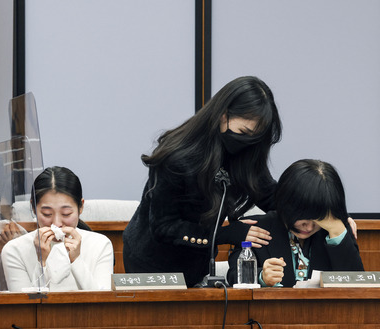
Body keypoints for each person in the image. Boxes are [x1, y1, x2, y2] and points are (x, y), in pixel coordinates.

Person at [123, 76, 282, 287]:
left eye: (255, 137)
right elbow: (164, 226)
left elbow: (273, 197)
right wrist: (226, 234)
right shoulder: (177, 156)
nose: (248, 143)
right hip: (152, 263)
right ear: (223, 116)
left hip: (197, 266)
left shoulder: (246, 155)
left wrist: (327, 211)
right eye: (243, 133)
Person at [227, 159, 363, 287]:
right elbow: (233, 275)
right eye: (303, 220)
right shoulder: (256, 228)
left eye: (317, 220)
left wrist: (338, 234)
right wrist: (261, 276)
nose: (309, 227)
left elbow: (357, 283)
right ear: (286, 204)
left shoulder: (335, 230)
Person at [2, 166, 114, 292]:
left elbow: (103, 303)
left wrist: (76, 260)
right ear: (33, 208)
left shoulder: (100, 245)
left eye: (66, 214)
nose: (56, 223)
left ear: (81, 207)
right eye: (47, 214)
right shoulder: (14, 251)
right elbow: (25, 308)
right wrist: (42, 263)